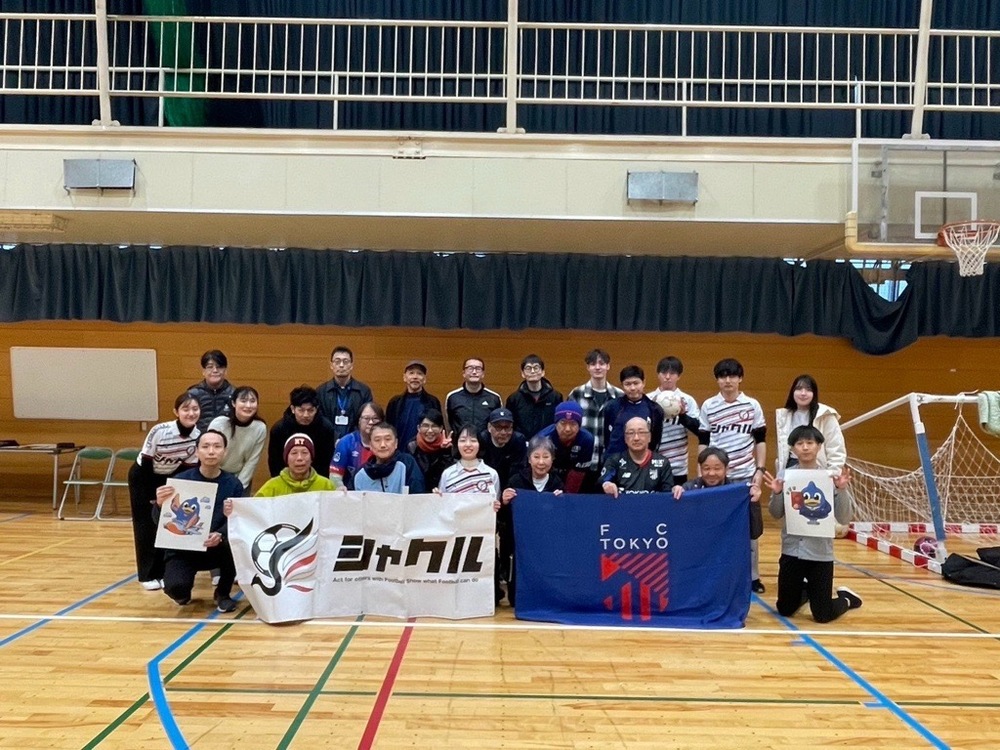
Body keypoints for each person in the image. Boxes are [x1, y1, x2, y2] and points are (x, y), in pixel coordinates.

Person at [764, 425, 862, 623]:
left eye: (810, 443)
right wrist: (777, 493)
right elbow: (775, 513)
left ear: (819, 446)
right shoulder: (785, 476)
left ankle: (846, 598)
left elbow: (844, 518)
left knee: (822, 615)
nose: (805, 447)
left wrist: (841, 490)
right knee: (784, 609)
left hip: (820, 553)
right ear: (793, 449)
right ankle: (807, 591)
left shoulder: (830, 477)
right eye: (800, 443)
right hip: (792, 550)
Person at [698, 357, 768, 594]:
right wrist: (701, 472)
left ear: (740, 378)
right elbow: (703, 442)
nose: (727, 380)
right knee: (716, 528)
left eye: (732, 376)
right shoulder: (709, 406)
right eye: (722, 376)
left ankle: (753, 577)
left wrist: (760, 470)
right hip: (717, 480)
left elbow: (760, 441)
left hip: (746, 476)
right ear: (717, 380)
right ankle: (717, 574)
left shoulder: (752, 405)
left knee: (749, 530)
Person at [155, 429, 244, 612]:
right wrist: (159, 505)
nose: (211, 451)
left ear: (225, 452)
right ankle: (182, 591)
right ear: (196, 451)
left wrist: (221, 533)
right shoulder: (179, 481)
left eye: (217, 446)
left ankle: (223, 593)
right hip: (183, 549)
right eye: (205, 446)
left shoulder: (234, 484)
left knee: (235, 544)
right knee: (176, 588)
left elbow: (239, 523)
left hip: (216, 547)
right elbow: (159, 522)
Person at [128, 392, 201, 590]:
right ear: (176, 411)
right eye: (186, 409)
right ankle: (147, 575)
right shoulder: (160, 431)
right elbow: (146, 463)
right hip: (144, 477)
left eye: (195, 409)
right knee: (146, 526)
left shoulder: (197, 436)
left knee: (167, 523)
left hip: (169, 478)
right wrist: (152, 495)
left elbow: (186, 469)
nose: (191, 413)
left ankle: (162, 572)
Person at [437, 425, 504, 604]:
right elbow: (443, 506)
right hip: (455, 535)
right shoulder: (447, 474)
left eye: (473, 440)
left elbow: (494, 502)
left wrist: (495, 506)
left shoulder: (491, 474)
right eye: (463, 440)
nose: (468, 444)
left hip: (482, 536)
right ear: (456, 444)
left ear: (479, 444)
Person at [501, 435, 565, 607]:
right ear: (529, 459)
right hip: (520, 545)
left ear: (552, 459)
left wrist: (562, 502)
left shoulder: (557, 484)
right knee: (516, 600)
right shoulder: (516, 481)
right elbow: (504, 518)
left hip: (547, 545)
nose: (541, 462)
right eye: (536, 456)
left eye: (546, 457)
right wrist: (504, 502)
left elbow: (563, 520)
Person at [672, 447, 764, 546]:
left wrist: (754, 503)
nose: (711, 473)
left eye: (717, 468)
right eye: (706, 468)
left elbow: (755, 533)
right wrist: (676, 495)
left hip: (727, 550)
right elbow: (677, 528)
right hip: (697, 548)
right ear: (700, 468)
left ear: (726, 469)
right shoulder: (689, 489)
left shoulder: (738, 492)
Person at [775, 374, 847, 475]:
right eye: (799, 389)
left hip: (819, 469)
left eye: (808, 390)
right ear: (792, 392)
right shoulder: (784, 416)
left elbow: (836, 448)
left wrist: (833, 474)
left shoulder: (825, 414)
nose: (803, 393)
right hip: (791, 468)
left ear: (814, 393)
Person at [647, 356, 702, 485]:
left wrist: (683, 416)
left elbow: (699, 430)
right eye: (663, 373)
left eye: (672, 373)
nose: (667, 377)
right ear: (658, 374)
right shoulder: (648, 399)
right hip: (651, 463)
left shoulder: (687, 400)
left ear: (679, 376)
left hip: (678, 466)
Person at [568, 348, 624, 473]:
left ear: (608, 366)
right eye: (593, 364)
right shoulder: (576, 394)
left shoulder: (619, 396)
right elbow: (569, 426)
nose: (597, 367)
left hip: (611, 461)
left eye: (601, 364)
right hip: (582, 460)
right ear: (588, 367)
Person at [267, 385, 336, 478]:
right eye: (301, 410)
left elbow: (327, 461)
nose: (306, 415)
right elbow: (275, 463)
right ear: (293, 409)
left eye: (310, 410)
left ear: (317, 409)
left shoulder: (326, 428)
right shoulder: (279, 429)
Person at [208, 385, 266, 493]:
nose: (248, 405)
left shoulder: (260, 428)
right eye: (243, 401)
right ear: (234, 403)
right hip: (215, 475)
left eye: (252, 401)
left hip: (240, 478)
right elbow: (209, 453)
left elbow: (252, 460)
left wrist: (238, 486)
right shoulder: (219, 423)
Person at [601, 416, 674, 497]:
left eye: (641, 432)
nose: (636, 438)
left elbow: (668, 495)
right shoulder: (614, 461)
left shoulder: (663, 463)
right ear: (625, 438)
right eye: (631, 433)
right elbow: (603, 481)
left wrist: (675, 489)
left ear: (649, 437)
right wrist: (607, 484)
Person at [603, 364, 665, 458]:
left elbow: (655, 441)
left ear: (643, 383)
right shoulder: (612, 407)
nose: (632, 388)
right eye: (627, 384)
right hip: (614, 461)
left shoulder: (655, 409)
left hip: (642, 462)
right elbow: (607, 438)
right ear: (622, 385)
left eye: (636, 383)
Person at [533, 400, 595, 493]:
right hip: (548, 478)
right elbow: (538, 471)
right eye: (563, 423)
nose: (567, 429)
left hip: (575, 481)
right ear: (555, 423)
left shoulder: (586, 440)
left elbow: (578, 474)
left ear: (579, 425)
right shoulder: (543, 438)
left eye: (573, 423)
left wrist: (566, 497)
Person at [316, 345, 374, 443]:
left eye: (345, 361)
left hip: (356, 443)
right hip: (327, 442)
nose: (341, 365)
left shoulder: (364, 391)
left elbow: (366, 419)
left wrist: (349, 441)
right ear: (331, 365)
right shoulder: (321, 391)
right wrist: (334, 439)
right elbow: (319, 420)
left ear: (351, 365)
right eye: (337, 361)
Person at [353, 423, 426, 493]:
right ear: (370, 445)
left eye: (387, 439)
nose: (383, 445)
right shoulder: (360, 474)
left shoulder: (407, 463)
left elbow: (418, 494)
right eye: (377, 440)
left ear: (396, 443)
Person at [504, 354, 563, 439]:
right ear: (522, 373)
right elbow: (511, 424)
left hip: (548, 442)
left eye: (536, 368)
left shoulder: (555, 397)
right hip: (522, 443)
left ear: (543, 372)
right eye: (528, 368)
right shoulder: (514, 399)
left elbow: (558, 422)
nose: (532, 371)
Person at [256, 433, 336, 496]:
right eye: (294, 453)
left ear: (311, 458)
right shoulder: (271, 487)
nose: (299, 458)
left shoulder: (326, 486)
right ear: (286, 459)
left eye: (304, 453)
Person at [385, 360, 442, 445]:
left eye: (419, 373)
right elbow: (387, 429)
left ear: (424, 379)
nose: (415, 377)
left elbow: (439, 429)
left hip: (425, 451)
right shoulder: (395, 403)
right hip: (399, 450)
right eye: (411, 373)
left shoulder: (433, 402)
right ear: (404, 377)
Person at [330, 401, 384, 489]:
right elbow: (335, 474)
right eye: (366, 418)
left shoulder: (386, 443)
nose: (371, 422)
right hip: (351, 493)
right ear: (359, 420)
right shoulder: (346, 442)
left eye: (375, 418)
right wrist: (340, 487)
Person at [445, 357, 502, 438]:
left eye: (478, 369)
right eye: (470, 368)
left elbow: (497, 423)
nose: (474, 372)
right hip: (460, 443)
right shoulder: (452, 397)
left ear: (483, 374)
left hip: (486, 444)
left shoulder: (494, 398)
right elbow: (449, 424)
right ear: (464, 373)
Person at [478, 408, 528, 489]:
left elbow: (519, 469)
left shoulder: (518, 440)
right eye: (498, 427)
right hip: (485, 484)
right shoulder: (482, 440)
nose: (503, 432)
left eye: (507, 427)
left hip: (510, 483)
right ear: (489, 427)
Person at [406, 408, 455, 490]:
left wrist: (446, 451)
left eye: (434, 426)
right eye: (425, 426)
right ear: (418, 428)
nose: (430, 430)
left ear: (441, 428)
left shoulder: (448, 445)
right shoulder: (412, 447)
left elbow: (449, 474)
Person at [187, 349, 235, 431]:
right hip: (199, 438)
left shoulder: (235, 394)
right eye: (210, 367)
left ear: (225, 371)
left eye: (219, 367)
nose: (215, 370)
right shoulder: (192, 394)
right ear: (203, 371)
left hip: (226, 438)